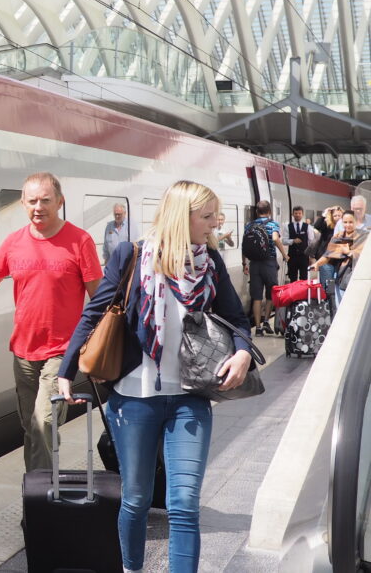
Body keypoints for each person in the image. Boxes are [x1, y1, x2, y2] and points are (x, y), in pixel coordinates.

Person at [57, 180, 253, 573]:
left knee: (183, 504)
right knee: (136, 499)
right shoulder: (131, 256)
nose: (215, 223)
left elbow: (235, 318)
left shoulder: (208, 263)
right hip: (132, 400)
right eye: (208, 216)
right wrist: (67, 371)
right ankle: (132, 569)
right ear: (184, 217)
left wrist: (244, 351)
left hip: (189, 400)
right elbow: (94, 313)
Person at [0, 172, 102, 471]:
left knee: (43, 424)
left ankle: (41, 503)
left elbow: (99, 299)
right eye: (31, 201)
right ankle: (38, 497)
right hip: (23, 354)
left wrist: (97, 349)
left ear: (60, 201)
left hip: (63, 351)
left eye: (45, 200)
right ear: (22, 203)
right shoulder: (13, 243)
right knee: (32, 429)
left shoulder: (79, 242)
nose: (38, 207)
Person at [241, 200, 287, 337]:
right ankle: (266, 320)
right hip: (269, 262)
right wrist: (285, 254)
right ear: (270, 211)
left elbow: (245, 246)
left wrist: (244, 263)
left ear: (257, 212)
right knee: (271, 292)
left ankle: (258, 327)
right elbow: (274, 239)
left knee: (256, 297)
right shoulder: (273, 224)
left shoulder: (249, 225)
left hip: (254, 264)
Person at [312, 210, 368, 309]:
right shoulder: (338, 237)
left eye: (351, 222)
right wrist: (317, 264)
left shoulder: (364, 236)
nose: (348, 225)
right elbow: (328, 255)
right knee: (340, 307)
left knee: (354, 309)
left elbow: (366, 257)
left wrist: (349, 253)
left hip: (358, 278)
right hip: (340, 276)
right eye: (345, 222)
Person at [312, 206, 343, 304]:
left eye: (339, 215)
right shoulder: (327, 226)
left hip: (339, 262)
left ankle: (335, 305)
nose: (337, 217)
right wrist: (324, 214)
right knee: (327, 285)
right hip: (326, 260)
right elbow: (316, 226)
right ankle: (328, 305)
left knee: (337, 285)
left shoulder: (344, 228)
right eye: (335, 216)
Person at [282, 205, 314, 282]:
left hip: (304, 256)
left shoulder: (308, 227)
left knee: (304, 277)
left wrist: (311, 256)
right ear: (293, 214)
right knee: (292, 277)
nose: (297, 215)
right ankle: (293, 293)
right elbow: (284, 241)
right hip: (292, 256)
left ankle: (303, 293)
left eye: (299, 213)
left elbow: (311, 242)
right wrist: (292, 241)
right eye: (296, 213)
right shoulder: (288, 226)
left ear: (302, 214)